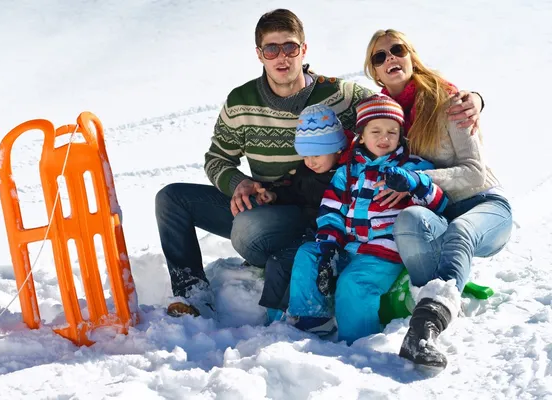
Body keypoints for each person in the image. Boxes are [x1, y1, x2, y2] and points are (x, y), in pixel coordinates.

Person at [154, 8, 483, 318]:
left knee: (249, 227)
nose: (281, 56)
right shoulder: (241, 102)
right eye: (271, 49)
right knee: (172, 198)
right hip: (264, 204)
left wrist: (472, 100)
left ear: (303, 50)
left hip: (317, 208)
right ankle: (193, 297)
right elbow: (217, 160)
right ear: (259, 53)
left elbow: (392, 113)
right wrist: (238, 184)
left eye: (290, 47)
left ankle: (304, 256)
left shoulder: (340, 95)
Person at [363, 29, 513, 369]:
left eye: (396, 49)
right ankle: (434, 296)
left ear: (411, 55)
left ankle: (425, 327)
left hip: (484, 204)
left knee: (460, 232)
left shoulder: (450, 101)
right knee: (409, 220)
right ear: (374, 71)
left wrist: (418, 180)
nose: (390, 58)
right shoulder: (384, 118)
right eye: (379, 56)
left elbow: (474, 172)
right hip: (438, 211)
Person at [287, 94, 449, 342]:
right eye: (376, 131)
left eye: (392, 132)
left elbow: (439, 203)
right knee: (309, 254)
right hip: (348, 245)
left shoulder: (413, 166)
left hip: (383, 250)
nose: (384, 138)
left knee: (354, 283)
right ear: (361, 135)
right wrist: (329, 245)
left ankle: (358, 341)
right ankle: (312, 319)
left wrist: (416, 183)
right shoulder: (347, 171)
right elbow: (331, 211)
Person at [256, 103, 352, 321]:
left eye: (317, 154)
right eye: (306, 155)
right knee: (277, 262)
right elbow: (296, 192)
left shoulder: (350, 172)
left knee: (302, 266)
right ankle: (273, 317)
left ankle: (298, 315)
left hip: (338, 238)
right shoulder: (307, 171)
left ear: (337, 148)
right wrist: (276, 196)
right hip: (312, 232)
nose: (310, 162)